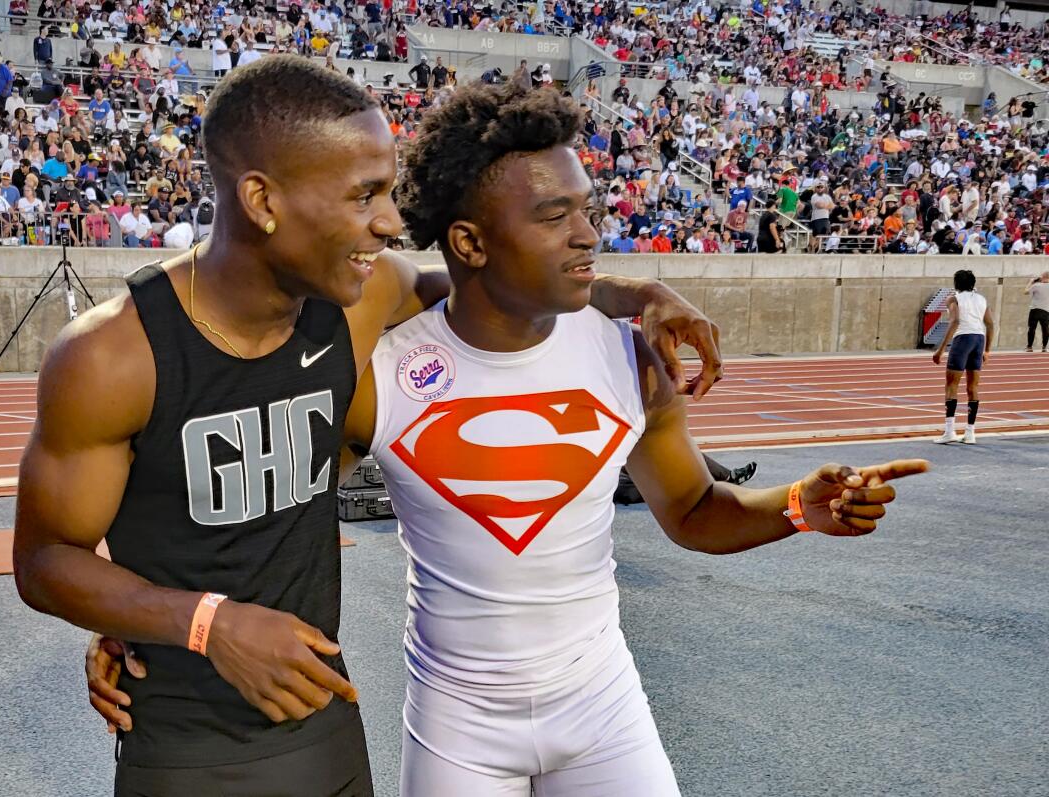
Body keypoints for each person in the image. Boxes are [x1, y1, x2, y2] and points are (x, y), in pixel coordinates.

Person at [90, 82, 928, 796]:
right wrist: (138, 617)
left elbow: (694, 509)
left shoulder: (632, 356)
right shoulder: (378, 368)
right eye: (556, 215)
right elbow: (258, 511)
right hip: (458, 726)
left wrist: (794, 506)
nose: (588, 235)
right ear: (470, 242)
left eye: (588, 211)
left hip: (605, 707)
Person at [15, 57, 722, 797]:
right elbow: (43, 559)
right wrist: (198, 621)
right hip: (184, 741)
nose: (389, 222)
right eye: (365, 196)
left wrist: (637, 290)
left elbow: (497, 283)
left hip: (322, 719)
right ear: (262, 199)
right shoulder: (109, 355)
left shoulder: (360, 295)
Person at [932, 270, 994, 445]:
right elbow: (990, 324)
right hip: (979, 339)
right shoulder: (981, 299)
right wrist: (987, 350)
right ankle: (970, 432)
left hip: (963, 339)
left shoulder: (953, 299)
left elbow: (955, 321)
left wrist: (940, 350)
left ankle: (949, 430)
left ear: (956, 283)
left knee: (952, 385)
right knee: (973, 387)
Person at [1023, 271, 1049, 352]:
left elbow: (1025, 292)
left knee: (1032, 328)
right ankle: (1044, 347)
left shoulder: (1036, 285)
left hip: (1035, 310)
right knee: (1045, 329)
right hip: (1046, 311)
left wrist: (1031, 282)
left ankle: (1029, 347)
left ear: (1042, 277)